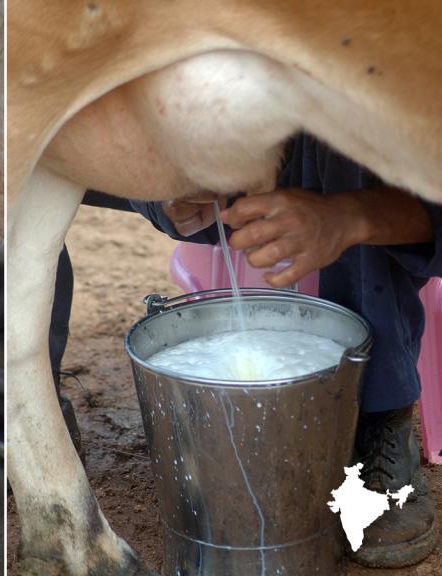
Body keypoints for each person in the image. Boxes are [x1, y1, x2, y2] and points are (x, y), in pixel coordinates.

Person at [128, 133, 442, 568]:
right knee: (40, 145)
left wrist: (350, 216)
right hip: (239, 161)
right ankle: (34, 409)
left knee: (351, 144)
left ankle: (379, 417)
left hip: (374, 176)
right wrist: (165, 188)